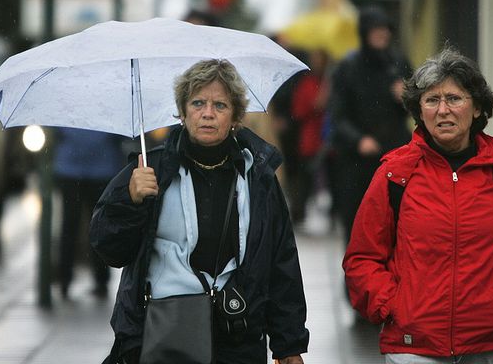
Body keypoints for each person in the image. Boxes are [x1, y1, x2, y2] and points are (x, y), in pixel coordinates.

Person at [90, 59, 309, 364]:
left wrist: (289, 344)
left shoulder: (257, 174)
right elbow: (109, 249)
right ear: (182, 111)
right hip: (167, 330)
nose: (208, 113)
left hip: (238, 331)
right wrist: (130, 200)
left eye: (220, 105)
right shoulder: (150, 170)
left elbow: (280, 260)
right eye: (197, 103)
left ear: (235, 116)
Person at [343, 47, 493, 363]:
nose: (443, 110)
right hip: (415, 346)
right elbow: (362, 257)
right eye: (431, 100)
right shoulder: (395, 174)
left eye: (454, 98)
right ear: (418, 110)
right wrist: (394, 305)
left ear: (477, 107)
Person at [328, 5, 413, 245]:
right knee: (358, 228)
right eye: (376, 30)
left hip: (395, 157)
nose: (382, 35)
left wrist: (407, 97)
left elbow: (421, 109)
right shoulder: (348, 68)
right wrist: (358, 140)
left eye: (386, 29)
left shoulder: (398, 63)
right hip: (357, 163)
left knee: (397, 226)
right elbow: (337, 116)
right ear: (365, 33)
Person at [52, 127, 125, 300]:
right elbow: (118, 133)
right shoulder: (107, 103)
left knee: (69, 227)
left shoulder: (65, 102)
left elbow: (55, 128)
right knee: (99, 226)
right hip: (102, 166)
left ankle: (65, 279)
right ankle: (100, 280)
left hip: (70, 167)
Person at [289, 48, 331, 227]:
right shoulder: (307, 83)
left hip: (329, 139)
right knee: (305, 177)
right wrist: (316, 104)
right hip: (310, 138)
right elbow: (298, 111)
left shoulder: (331, 82)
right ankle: (299, 212)